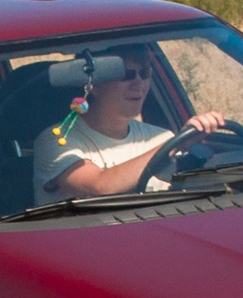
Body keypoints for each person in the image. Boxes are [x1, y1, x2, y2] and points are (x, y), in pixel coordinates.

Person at [33, 45, 226, 204]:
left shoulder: (161, 137)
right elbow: (101, 187)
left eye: (144, 73)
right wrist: (175, 145)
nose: (138, 83)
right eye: (126, 75)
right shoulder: (57, 140)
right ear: (94, 85)